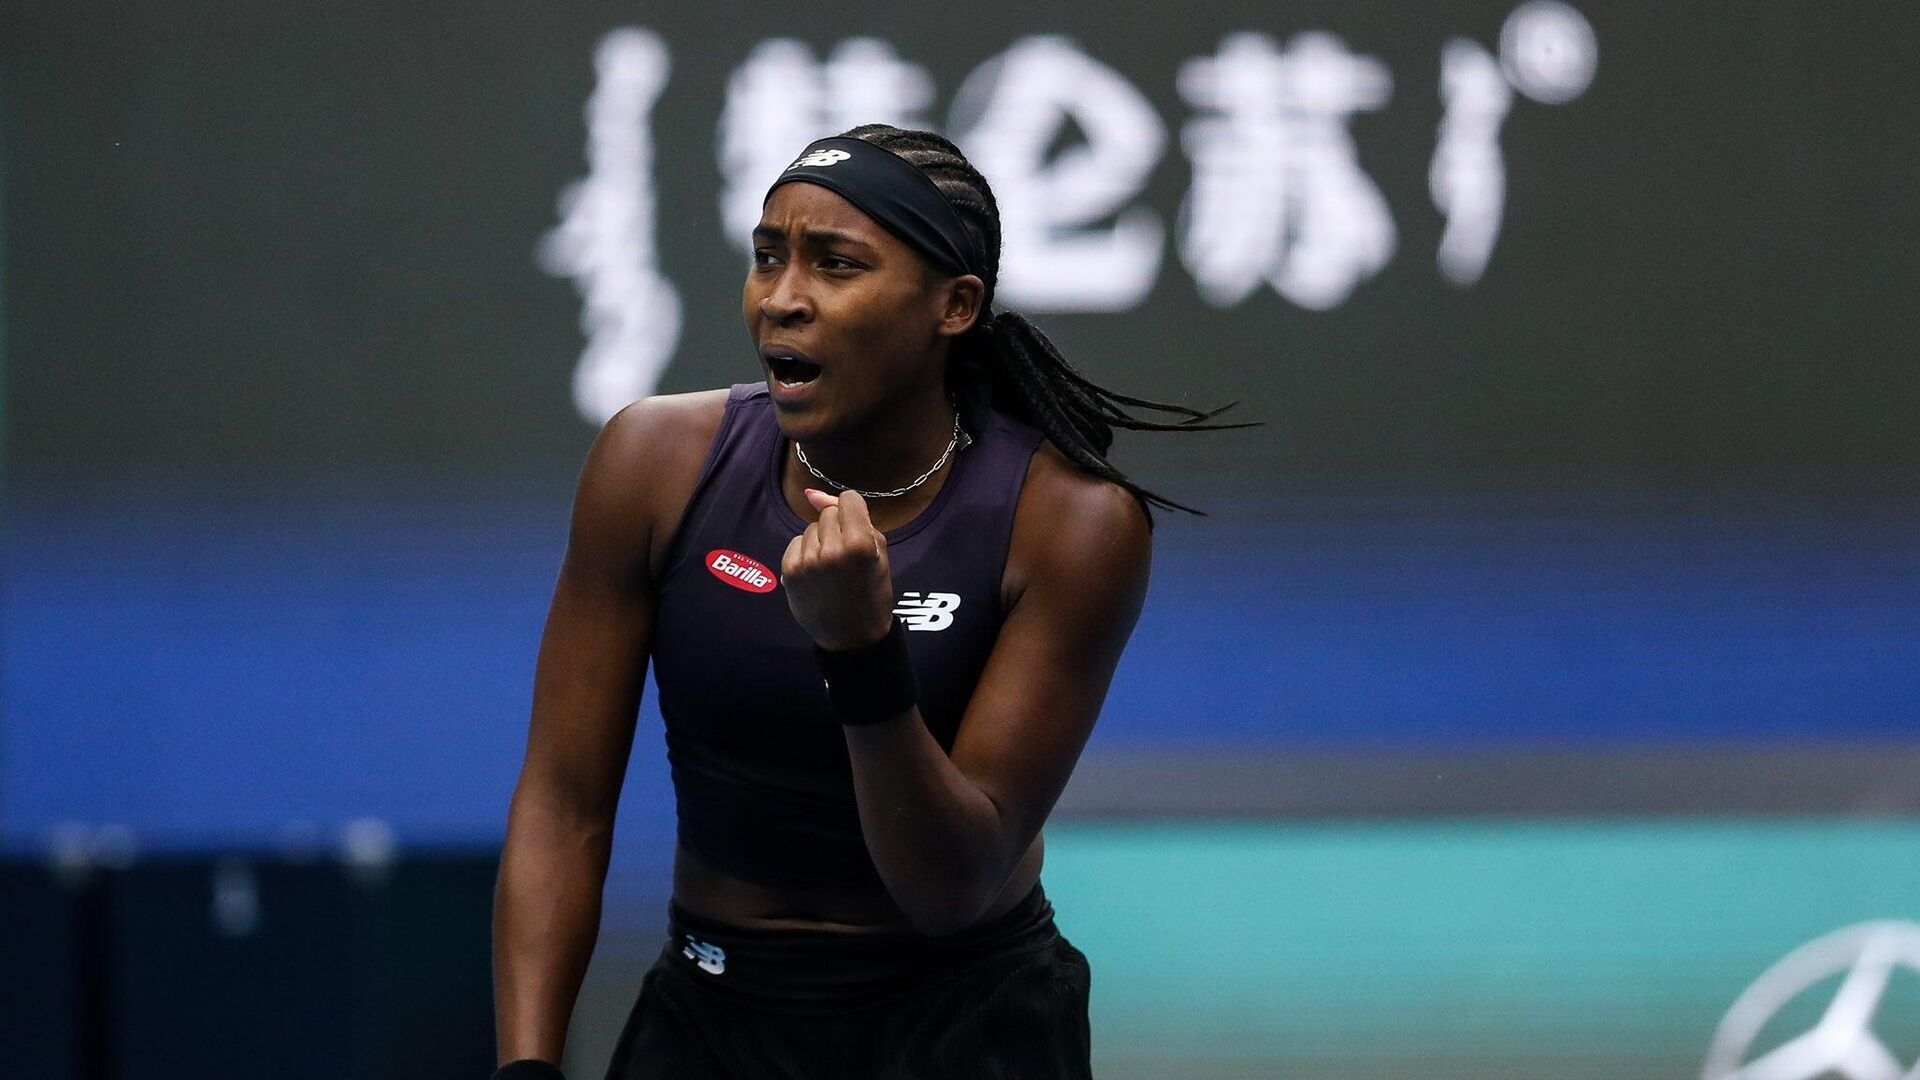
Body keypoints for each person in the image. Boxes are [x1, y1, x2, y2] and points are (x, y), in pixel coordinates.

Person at [491, 124, 1253, 1079]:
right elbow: (563, 808)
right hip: (712, 1011)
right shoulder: (651, 464)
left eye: (836, 264)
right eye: (768, 256)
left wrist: (861, 654)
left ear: (954, 306)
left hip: (966, 1022)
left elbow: (950, 887)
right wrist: (525, 1070)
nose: (782, 298)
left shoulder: (1072, 525)